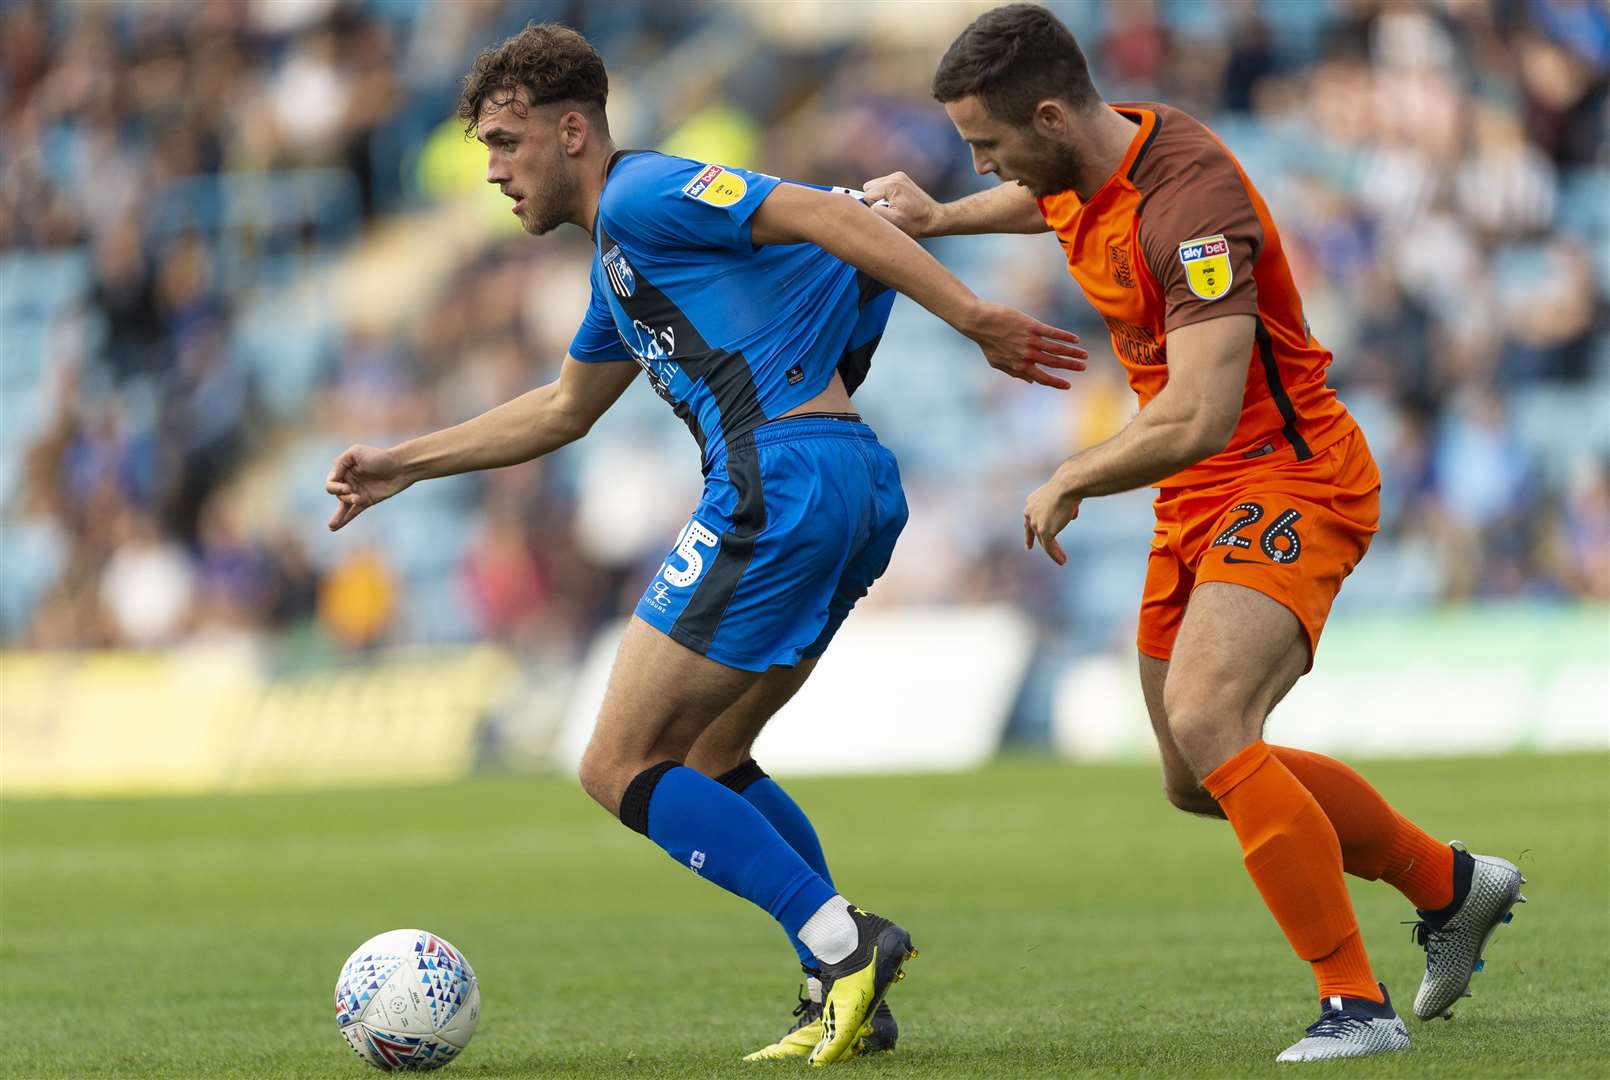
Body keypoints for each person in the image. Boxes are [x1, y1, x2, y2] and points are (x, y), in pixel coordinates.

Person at [323, 22, 1087, 1067]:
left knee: (613, 765)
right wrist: (405, 462)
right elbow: (558, 411)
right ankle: (840, 994)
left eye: (506, 143)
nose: (493, 172)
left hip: (782, 476)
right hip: (849, 481)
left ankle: (844, 946)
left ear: (573, 128)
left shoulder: (641, 196)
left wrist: (972, 319)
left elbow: (821, 212)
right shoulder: (618, 267)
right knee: (713, 756)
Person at [865, 3, 1526, 1063]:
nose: (979, 161)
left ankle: (1354, 1006)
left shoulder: (1195, 207)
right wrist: (940, 217)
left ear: (1046, 116)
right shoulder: (1086, 156)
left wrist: (1074, 470)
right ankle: (1448, 886)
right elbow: (1053, 200)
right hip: (1199, 494)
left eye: (985, 144)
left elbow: (1202, 412)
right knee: (1189, 771)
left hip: (1289, 473)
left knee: (1211, 715)